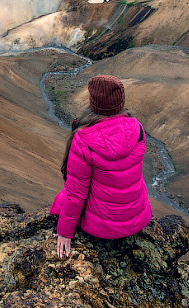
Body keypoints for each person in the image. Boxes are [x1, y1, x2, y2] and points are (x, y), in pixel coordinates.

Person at [50, 75, 152, 259]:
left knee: (63, 197)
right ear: (120, 102)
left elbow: (76, 193)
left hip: (102, 227)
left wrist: (65, 232)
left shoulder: (83, 139)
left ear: (93, 103)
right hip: (136, 218)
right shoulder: (138, 129)